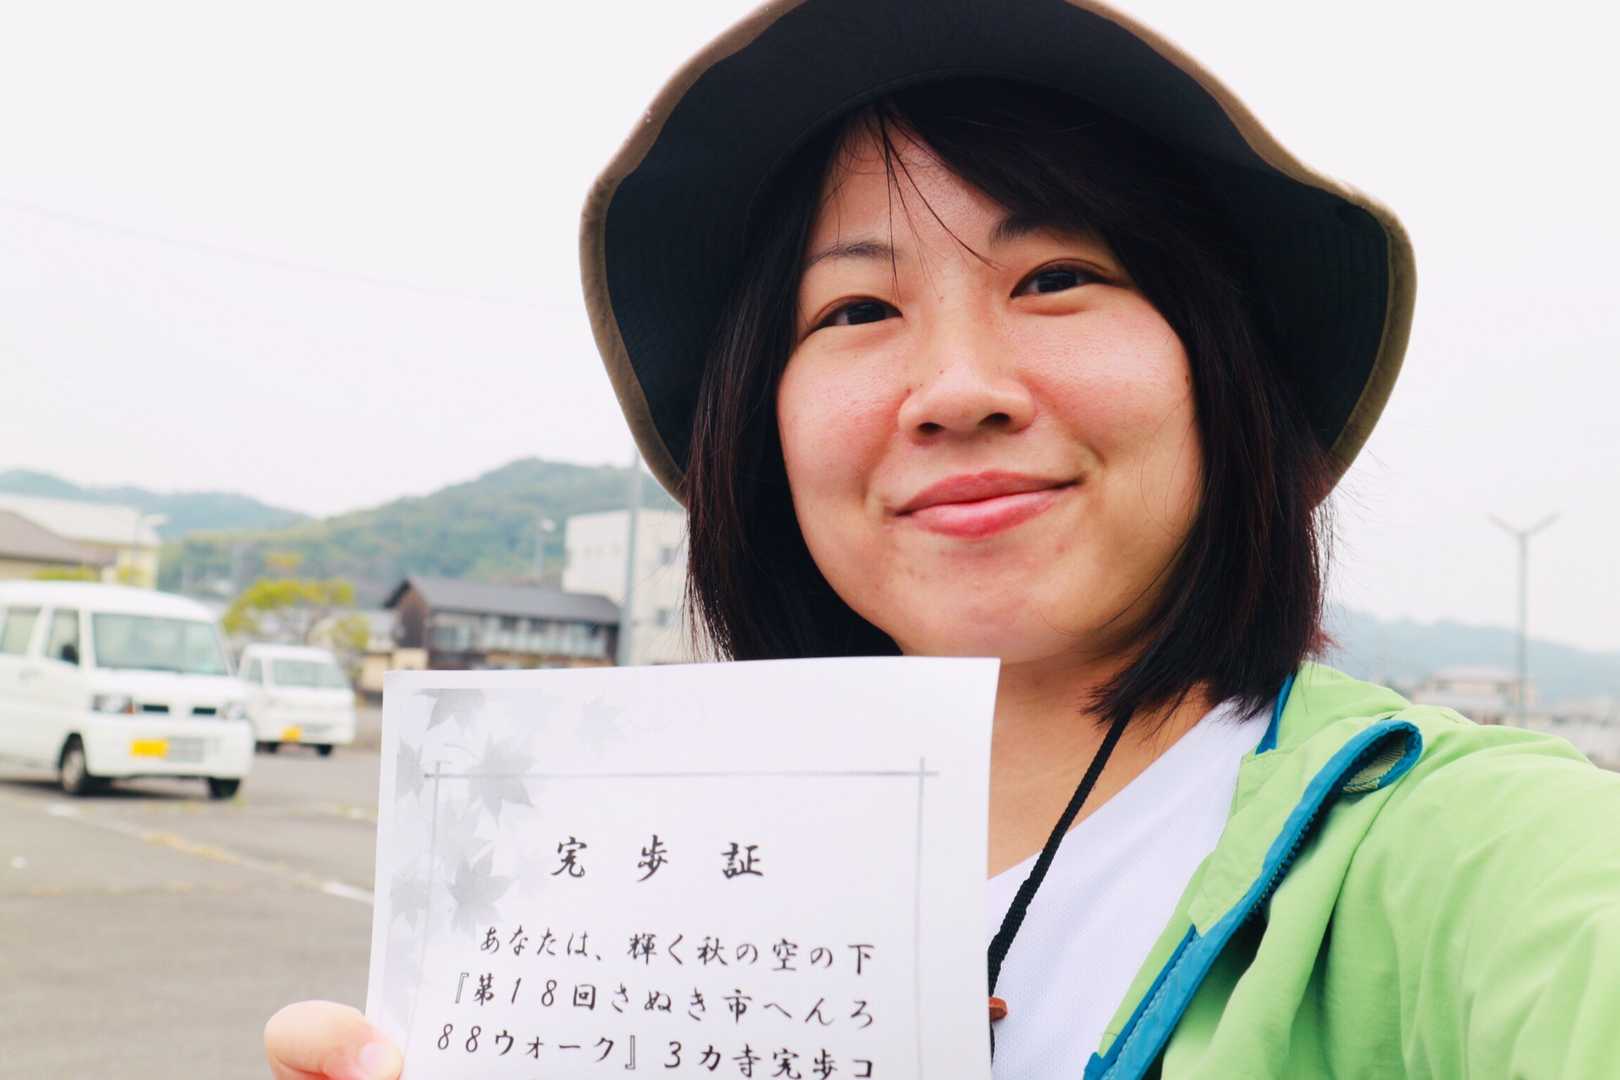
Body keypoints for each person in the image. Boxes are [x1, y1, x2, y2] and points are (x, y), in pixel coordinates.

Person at [265, 1, 1620, 1077]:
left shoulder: (1485, 858)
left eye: (1058, 278)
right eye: (856, 310)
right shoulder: (639, 886)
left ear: (1220, 370)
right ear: (761, 428)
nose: (959, 388)